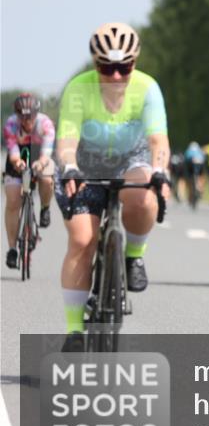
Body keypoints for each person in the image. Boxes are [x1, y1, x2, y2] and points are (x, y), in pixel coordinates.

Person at [55, 22, 170, 349]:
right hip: (85, 160)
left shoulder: (148, 88)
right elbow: (67, 139)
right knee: (82, 239)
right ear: (95, 63)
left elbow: (157, 138)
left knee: (144, 196)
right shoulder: (79, 89)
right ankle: (75, 330)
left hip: (131, 156)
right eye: (108, 67)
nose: (117, 76)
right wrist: (70, 165)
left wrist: (160, 170)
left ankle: (134, 255)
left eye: (124, 67)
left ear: (134, 62)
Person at [3, 93, 56, 268]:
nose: (26, 121)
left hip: (40, 152)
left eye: (30, 116)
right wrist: (17, 163)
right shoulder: (11, 124)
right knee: (12, 201)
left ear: (36, 113)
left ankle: (45, 208)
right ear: (17, 115)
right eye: (22, 117)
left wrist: (40, 163)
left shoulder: (45, 124)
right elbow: (13, 152)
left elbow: (47, 153)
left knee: (47, 179)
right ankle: (12, 249)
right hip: (19, 153)